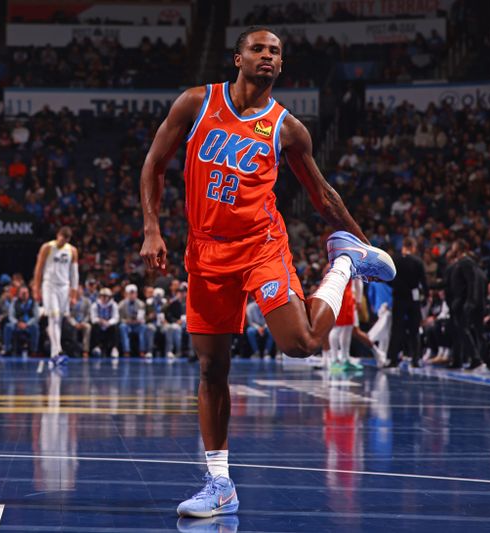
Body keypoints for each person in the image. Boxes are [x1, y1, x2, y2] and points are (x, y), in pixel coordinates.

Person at [139, 27, 396, 517]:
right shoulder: (197, 103)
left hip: (261, 246)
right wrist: (152, 229)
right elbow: (153, 165)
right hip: (206, 252)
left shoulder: (288, 128)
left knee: (300, 343)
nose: (267, 56)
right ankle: (220, 485)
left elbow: (321, 194)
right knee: (213, 368)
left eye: (275, 52)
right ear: (237, 57)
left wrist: (363, 241)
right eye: (258, 49)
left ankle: (345, 260)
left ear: (281, 65)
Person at [32, 226, 79, 366]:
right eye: (62, 237)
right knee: (53, 316)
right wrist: (36, 288)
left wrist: (74, 293)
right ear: (57, 235)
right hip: (49, 285)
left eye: (66, 239)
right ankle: (57, 351)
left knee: (58, 319)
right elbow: (39, 268)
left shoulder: (72, 250)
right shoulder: (47, 247)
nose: (63, 241)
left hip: (64, 287)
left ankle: (55, 352)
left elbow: (75, 273)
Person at [385, 237, 427, 368]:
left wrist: (397, 287)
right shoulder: (417, 261)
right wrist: (425, 296)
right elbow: (424, 282)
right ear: (413, 247)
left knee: (396, 328)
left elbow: (387, 278)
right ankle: (415, 359)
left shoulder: (394, 260)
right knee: (414, 329)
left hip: (399, 298)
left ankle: (393, 359)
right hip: (413, 299)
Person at [445, 240, 487, 370]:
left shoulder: (466, 262)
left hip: (463, 302)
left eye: (453, 246)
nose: (451, 248)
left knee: (464, 330)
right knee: (459, 331)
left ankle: (476, 359)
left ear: (458, 248)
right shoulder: (460, 263)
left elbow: (471, 283)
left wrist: (470, 301)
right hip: (459, 302)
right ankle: (459, 359)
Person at [6, 285, 40, 356]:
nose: (24, 295)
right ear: (19, 294)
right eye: (22, 293)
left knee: (35, 327)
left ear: (28, 293)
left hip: (29, 324)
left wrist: (27, 324)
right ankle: (7, 349)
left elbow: (36, 317)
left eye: (26, 293)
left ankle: (33, 350)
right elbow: (11, 316)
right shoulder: (14, 302)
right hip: (17, 324)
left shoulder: (33, 302)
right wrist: (17, 323)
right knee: (8, 326)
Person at [118, 284, 149, 358]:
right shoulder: (121, 304)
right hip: (127, 324)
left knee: (143, 327)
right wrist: (126, 321)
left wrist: (139, 321)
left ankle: (142, 350)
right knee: (122, 327)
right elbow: (119, 318)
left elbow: (143, 317)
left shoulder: (141, 304)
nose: (132, 295)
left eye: (133, 293)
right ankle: (126, 351)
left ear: (136, 294)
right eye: (130, 293)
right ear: (126, 294)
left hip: (137, 325)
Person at [89, 287, 119, 358]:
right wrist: (100, 321)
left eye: (106, 296)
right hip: (99, 324)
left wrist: (108, 322)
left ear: (109, 297)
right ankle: (97, 347)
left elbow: (116, 317)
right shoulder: (95, 305)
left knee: (115, 327)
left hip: (109, 325)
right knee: (94, 326)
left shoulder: (113, 305)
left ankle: (114, 348)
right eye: (102, 296)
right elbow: (93, 318)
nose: (104, 298)